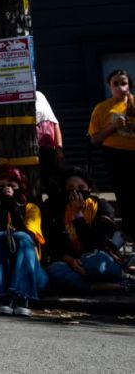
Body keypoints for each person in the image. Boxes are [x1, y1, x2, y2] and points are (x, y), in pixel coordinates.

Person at [41, 167, 131, 295]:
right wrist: (71, 261)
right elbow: (53, 244)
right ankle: (109, 286)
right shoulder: (55, 208)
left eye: (81, 188)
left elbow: (95, 245)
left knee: (93, 264)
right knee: (55, 270)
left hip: (95, 258)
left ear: (89, 189)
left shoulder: (101, 208)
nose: (76, 192)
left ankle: (91, 283)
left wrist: (78, 215)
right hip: (71, 262)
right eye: (70, 188)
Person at [0, 166, 48, 316]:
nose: (6, 190)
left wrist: (13, 206)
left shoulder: (31, 208)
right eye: (1, 186)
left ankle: (23, 296)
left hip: (32, 274)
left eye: (12, 186)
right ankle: (4, 297)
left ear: (20, 187)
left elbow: (29, 235)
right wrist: (4, 206)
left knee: (22, 237)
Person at [0, 89, 64, 197]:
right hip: (13, 159)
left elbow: (54, 123)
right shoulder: (2, 100)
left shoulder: (40, 96)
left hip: (46, 156)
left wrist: (59, 149)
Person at [88, 69, 135, 227]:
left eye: (123, 83)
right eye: (115, 83)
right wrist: (113, 127)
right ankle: (129, 232)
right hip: (114, 155)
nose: (119, 87)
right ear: (109, 86)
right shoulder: (101, 108)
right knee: (123, 194)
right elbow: (94, 139)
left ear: (129, 86)